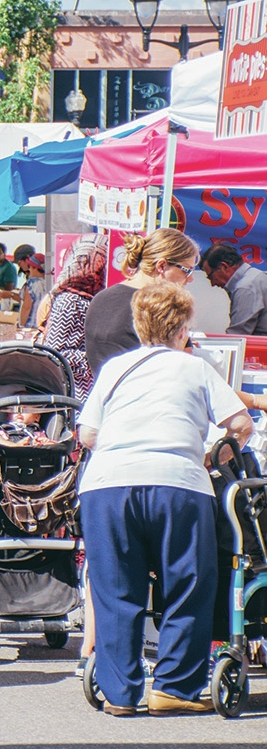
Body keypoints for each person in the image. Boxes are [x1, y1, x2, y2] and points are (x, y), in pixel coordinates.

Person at [78, 283, 253, 715]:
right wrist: (218, 453)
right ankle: (174, 685)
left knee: (116, 588)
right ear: (182, 330)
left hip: (108, 484)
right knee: (187, 583)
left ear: (139, 325)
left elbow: (87, 434)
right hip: (177, 481)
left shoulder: (115, 368)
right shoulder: (194, 368)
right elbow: (241, 423)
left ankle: (120, 693)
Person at [86, 228, 198, 378]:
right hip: (150, 396)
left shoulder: (101, 298)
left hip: (107, 396)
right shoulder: (160, 307)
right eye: (187, 270)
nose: (190, 279)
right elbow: (183, 369)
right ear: (161, 266)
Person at [40, 235, 108, 399]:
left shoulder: (85, 298)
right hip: (76, 394)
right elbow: (56, 353)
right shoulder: (70, 301)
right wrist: (98, 358)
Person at [201, 242, 267, 335]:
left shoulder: (245, 288)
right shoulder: (256, 276)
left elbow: (237, 335)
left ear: (224, 267)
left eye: (211, 276)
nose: (213, 284)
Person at [16, 251, 49, 328]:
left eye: (30, 267)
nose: (29, 270)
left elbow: (26, 307)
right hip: (44, 325)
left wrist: (21, 325)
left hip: (30, 326)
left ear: (35, 268)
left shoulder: (31, 284)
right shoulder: (49, 283)